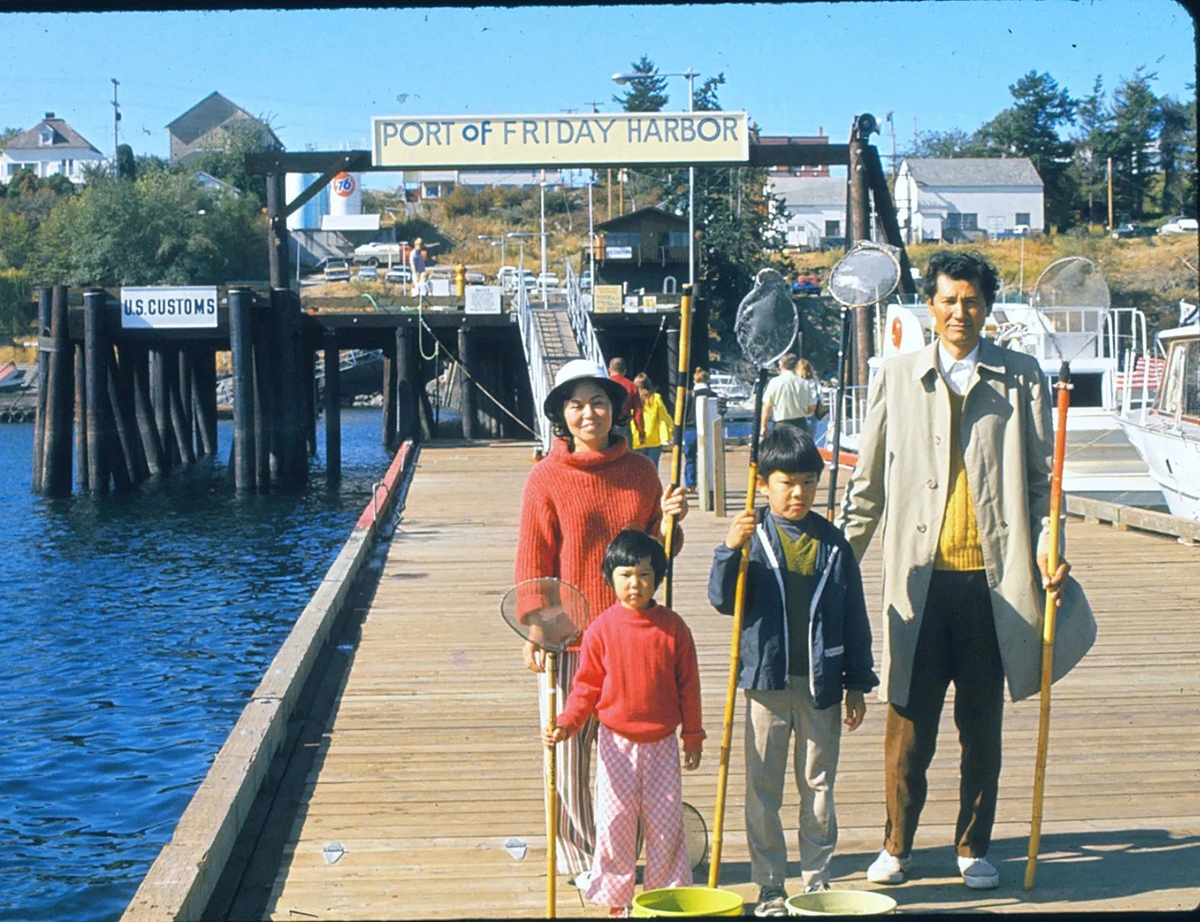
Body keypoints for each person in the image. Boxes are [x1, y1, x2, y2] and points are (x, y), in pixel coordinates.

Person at [837, 249, 1095, 891]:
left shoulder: (1021, 375)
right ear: (931, 305)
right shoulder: (895, 377)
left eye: (972, 301)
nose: (960, 311)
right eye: (949, 300)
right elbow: (865, 487)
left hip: (993, 587)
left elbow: (1042, 482)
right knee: (908, 729)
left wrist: (1050, 540)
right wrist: (838, 567)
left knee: (982, 726)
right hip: (916, 587)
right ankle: (896, 845)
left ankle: (973, 846)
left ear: (988, 307)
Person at [516, 357, 688, 880]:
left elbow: (659, 553)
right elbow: (532, 561)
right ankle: (578, 854)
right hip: (570, 637)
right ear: (561, 414)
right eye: (575, 404)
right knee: (569, 757)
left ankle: (623, 854)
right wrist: (536, 629)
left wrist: (673, 520)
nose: (587, 413)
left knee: (630, 754)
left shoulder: (641, 471)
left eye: (598, 402)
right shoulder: (545, 477)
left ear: (616, 410)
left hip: (632, 634)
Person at [708, 425, 877, 915]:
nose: (798, 492)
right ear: (763, 483)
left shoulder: (834, 543)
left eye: (808, 481)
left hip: (822, 684)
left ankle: (817, 880)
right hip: (764, 681)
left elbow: (855, 616)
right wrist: (727, 548)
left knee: (818, 785)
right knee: (763, 786)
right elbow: (722, 600)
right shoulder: (751, 534)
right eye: (786, 482)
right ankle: (769, 883)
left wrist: (858, 682)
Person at [544, 529, 704, 916]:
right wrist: (567, 723)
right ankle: (618, 900)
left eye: (645, 575)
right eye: (626, 575)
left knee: (665, 823)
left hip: (663, 742)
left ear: (658, 579)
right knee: (615, 822)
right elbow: (585, 688)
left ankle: (665, 895)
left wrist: (693, 737)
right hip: (616, 743)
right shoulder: (601, 629)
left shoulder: (674, 628)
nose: (636, 584)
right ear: (610, 578)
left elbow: (690, 687)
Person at [760, 354, 813, 437]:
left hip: (781, 424)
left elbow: (767, 406)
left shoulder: (774, 382)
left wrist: (764, 426)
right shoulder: (804, 383)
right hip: (800, 424)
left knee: (780, 449)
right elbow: (811, 408)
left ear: (781, 366)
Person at [632, 372, 673, 471]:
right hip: (654, 440)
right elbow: (664, 418)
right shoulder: (656, 398)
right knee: (653, 469)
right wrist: (667, 435)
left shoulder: (632, 399)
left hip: (637, 438)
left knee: (637, 470)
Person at [683, 367, 716, 491]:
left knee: (690, 457)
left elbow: (683, 413)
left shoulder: (689, 395)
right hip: (708, 429)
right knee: (708, 456)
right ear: (708, 381)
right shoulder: (713, 395)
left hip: (691, 429)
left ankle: (691, 483)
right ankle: (708, 483)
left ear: (694, 381)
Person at [607, 357, 644, 448]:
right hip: (623, 427)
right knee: (625, 459)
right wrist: (641, 432)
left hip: (604, 427)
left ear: (609, 370)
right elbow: (638, 412)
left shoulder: (604, 385)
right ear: (625, 371)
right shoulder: (631, 386)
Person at [796, 359, 825, 434]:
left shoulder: (795, 382)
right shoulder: (815, 382)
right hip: (811, 414)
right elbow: (821, 398)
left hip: (797, 416)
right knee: (810, 440)